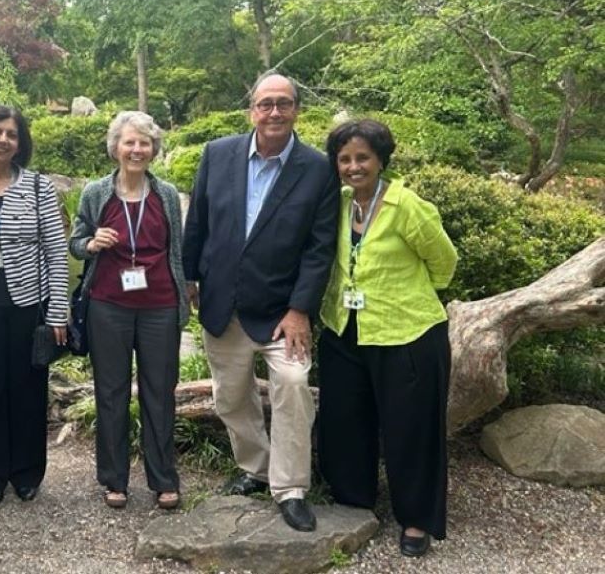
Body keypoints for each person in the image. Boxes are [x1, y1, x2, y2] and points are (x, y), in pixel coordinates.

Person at [182, 71, 338, 532]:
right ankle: (255, 467)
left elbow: (319, 247)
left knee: (292, 384)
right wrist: (190, 276)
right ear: (252, 109)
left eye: (283, 103)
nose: (274, 112)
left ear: (296, 110)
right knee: (230, 396)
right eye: (266, 103)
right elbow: (200, 223)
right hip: (222, 303)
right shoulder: (218, 154)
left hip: (281, 313)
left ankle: (290, 488)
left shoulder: (317, 168)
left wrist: (300, 309)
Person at [319, 119, 457, 558]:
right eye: (344, 159)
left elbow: (445, 265)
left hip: (407, 332)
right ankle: (353, 498)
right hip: (344, 329)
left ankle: (417, 519)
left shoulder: (406, 205)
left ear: (381, 159)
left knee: (410, 427)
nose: (353, 167)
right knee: (345, 419)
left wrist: (404, 294)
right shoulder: (337, 204)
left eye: (362, 157)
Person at [69, 110, 189, 510]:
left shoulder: (166, 195)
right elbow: (76, 241)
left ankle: (163, 478)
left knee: (160, 393)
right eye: (129, 142)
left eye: (144, 142)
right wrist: (90, 243)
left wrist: (187, 296)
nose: (137, 149)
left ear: (153, 149)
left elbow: (178, 251)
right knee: (111, 391)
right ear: (116, 148)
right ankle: (114, 479)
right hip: (108, 304)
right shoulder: (95, 192)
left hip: (159, 305)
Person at [0, 105, 69, 506]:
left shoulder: (39, 187)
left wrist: (58, 310)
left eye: (11, 134)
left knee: (27, 388)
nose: (3, 140)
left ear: (21, 143)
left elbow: (56, 252)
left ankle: (26, 471)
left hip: (28, 302)